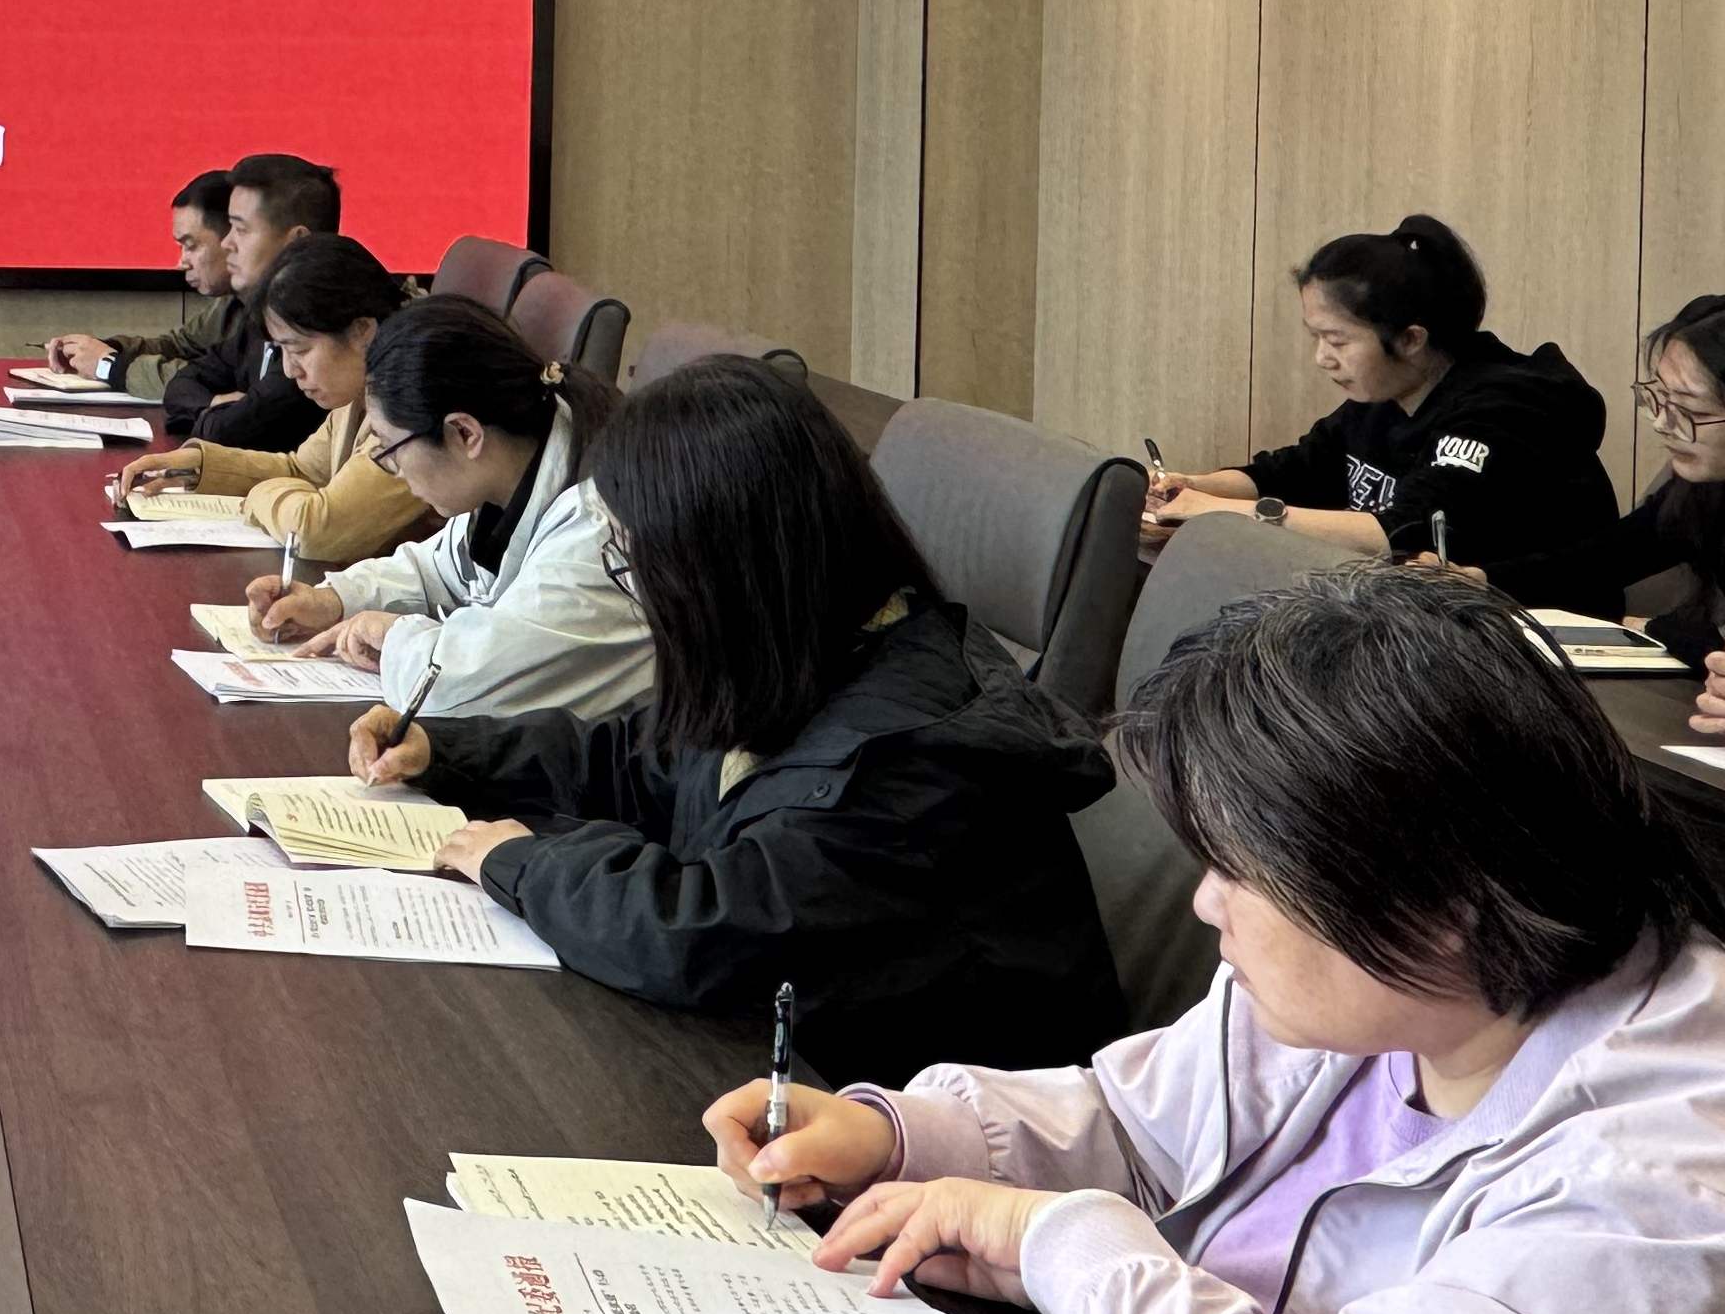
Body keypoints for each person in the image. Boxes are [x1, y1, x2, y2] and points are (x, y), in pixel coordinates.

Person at [708, 573, 1725, 1314]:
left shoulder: (1684, 1191)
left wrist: (1062, 1245)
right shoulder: (1391, 987)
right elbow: (1145, 1130)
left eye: (1240, 870)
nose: (1205, 903)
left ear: (1440, 897)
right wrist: (904, 1138)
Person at [361, 355, 1122, 1083]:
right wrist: (448, 748)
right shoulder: (814, 652)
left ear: (722, 566)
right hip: (799, 1079)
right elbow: (643, 760)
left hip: (920, 1137)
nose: (641, 593)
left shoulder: (904, 759)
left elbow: (698, 931)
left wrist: (522, 862)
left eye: (639, 566)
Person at [260, 294, 652, 731]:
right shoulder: (516, 467)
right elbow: (438, 569)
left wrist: (393, 637)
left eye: (389, 450)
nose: (392, 469)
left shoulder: (596, 530)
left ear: (464, 433)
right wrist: (335, 600)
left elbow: (460, 691)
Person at [1145, 213, 1614, 575]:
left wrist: (1214, 513)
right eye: (1316, 337)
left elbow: (1403, 532)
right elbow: (1292, 472)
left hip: (1528, 631)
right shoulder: (1387, 394)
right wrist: (1192, 487)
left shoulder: (1501, 411)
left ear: (1410, 339)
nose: (1322, 358)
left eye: (1337, 340)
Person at [1489, 291, 1725, 743]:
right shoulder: (1707, 489)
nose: (1664, 424)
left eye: (1693, 411)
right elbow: (1604, 557)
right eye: (1660, 398)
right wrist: (1480, 579)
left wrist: (1657, 628)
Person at [109, 234, 427, 569]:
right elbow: (303, 471)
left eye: (300, 349)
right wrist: (197, 466)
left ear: (362, 330)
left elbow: (317, 530)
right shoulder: (358, 387)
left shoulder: (412, 402)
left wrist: (256, 498)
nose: (290, 371)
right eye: (281, 351)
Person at [43, 168, 239, 437]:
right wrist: (102, 350)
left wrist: (109, 366)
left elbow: (204, 383)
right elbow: (180, 347)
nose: (181, 262)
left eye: (191, 246)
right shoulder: (232, 302)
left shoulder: (274, 309)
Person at [192, 151, 337, 451]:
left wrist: (215, 414)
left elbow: (229, 433)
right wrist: (214, 405)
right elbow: (184, 382)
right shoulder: (259, 313)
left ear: (297, 240)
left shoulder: (322, 322)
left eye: (241, 230)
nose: (226, 243)